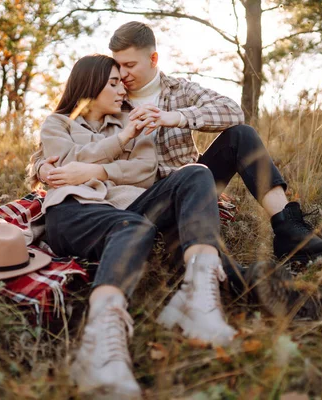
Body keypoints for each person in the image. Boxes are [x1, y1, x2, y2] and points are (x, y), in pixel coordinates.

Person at [33, 21, 322, 269]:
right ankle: (212, 269)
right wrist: (41, 167)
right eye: (118, 66)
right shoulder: (112, 93)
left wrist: (175, 117)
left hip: (190, 181)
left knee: (243, 134)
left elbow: (232, 111)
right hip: (138, 195)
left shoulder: (180, 91)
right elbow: (62, 134)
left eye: (130, 65)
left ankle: (289, 231)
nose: (123, 75)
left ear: (153, 59)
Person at [34, 54, 238, 398]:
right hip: (75, 211)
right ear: (89, 85)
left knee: (195, 173)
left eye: (121, 81)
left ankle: (198, 292)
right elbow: (66, 164)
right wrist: (120, 141)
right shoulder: (58, 123)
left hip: (131, 208)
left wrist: (97, 170)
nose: (121, 88)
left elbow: (144, 170)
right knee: (133, 227)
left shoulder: (134, 120)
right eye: (112, 83)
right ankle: (99, 340)